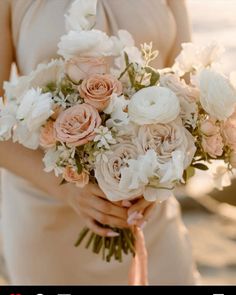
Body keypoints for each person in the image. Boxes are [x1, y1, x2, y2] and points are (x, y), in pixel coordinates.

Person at [0, 0, 199, 285]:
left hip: (145, 214)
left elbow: (188, 94)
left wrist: (160, 179)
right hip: (47, 217)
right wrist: (70, 192)